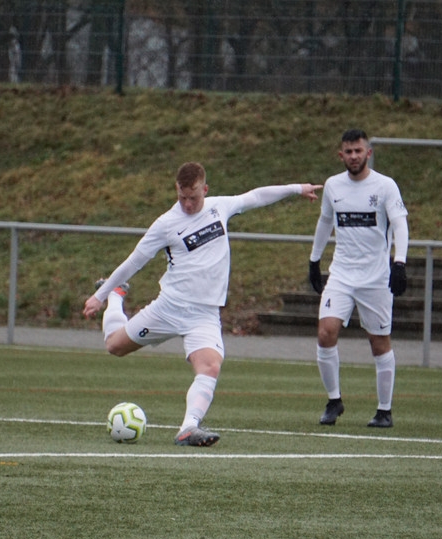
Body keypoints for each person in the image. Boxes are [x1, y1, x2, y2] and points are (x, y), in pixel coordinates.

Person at [83, 162, 321, 446]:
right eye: (182, 197)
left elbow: (256, 196)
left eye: (193, 197)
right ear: (177, 190)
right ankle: (116, 296)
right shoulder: (166, 224)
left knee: (210, 367)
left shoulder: (219, 207)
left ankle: (188, 428)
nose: (187, 204)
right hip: (169, 308)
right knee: (114, 346)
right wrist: (100, 296)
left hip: (204, 315)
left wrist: (297, 189)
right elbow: (134, 261)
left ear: (205, 190)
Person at [308, 128, 409, 428]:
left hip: (376, 278)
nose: (354, 156)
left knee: (379, 342)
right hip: (341, 274)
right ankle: (334, 400)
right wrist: (314, 260)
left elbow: (400, 225)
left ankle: (384, 411)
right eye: (348, 152)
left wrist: (399, 263)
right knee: (326, 332)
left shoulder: (385, 186)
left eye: (358, 151)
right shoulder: (333, 186)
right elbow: (325, 221)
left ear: (369, 153)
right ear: (341, 155)